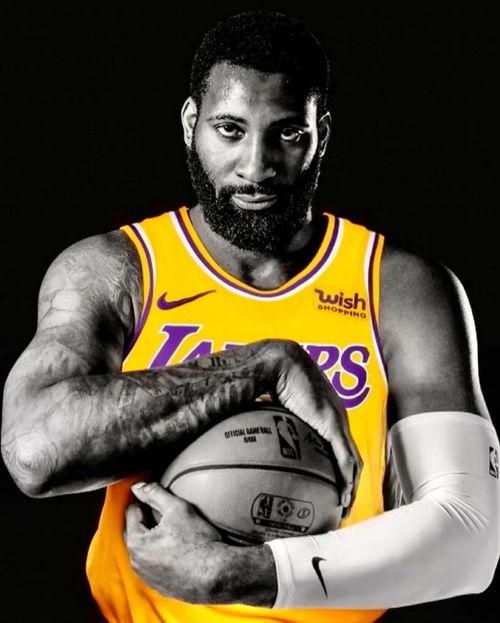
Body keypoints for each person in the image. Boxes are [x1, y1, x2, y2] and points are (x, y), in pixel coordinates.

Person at [1, 9, 499, 623]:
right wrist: (262, 366)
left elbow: (470, 540)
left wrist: (249, 575)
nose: (256, 166)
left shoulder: (400, 289)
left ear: (321, 135)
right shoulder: (117, 271)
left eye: (287, 134)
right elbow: (33, 452)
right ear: (191, 125)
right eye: (230, 129)